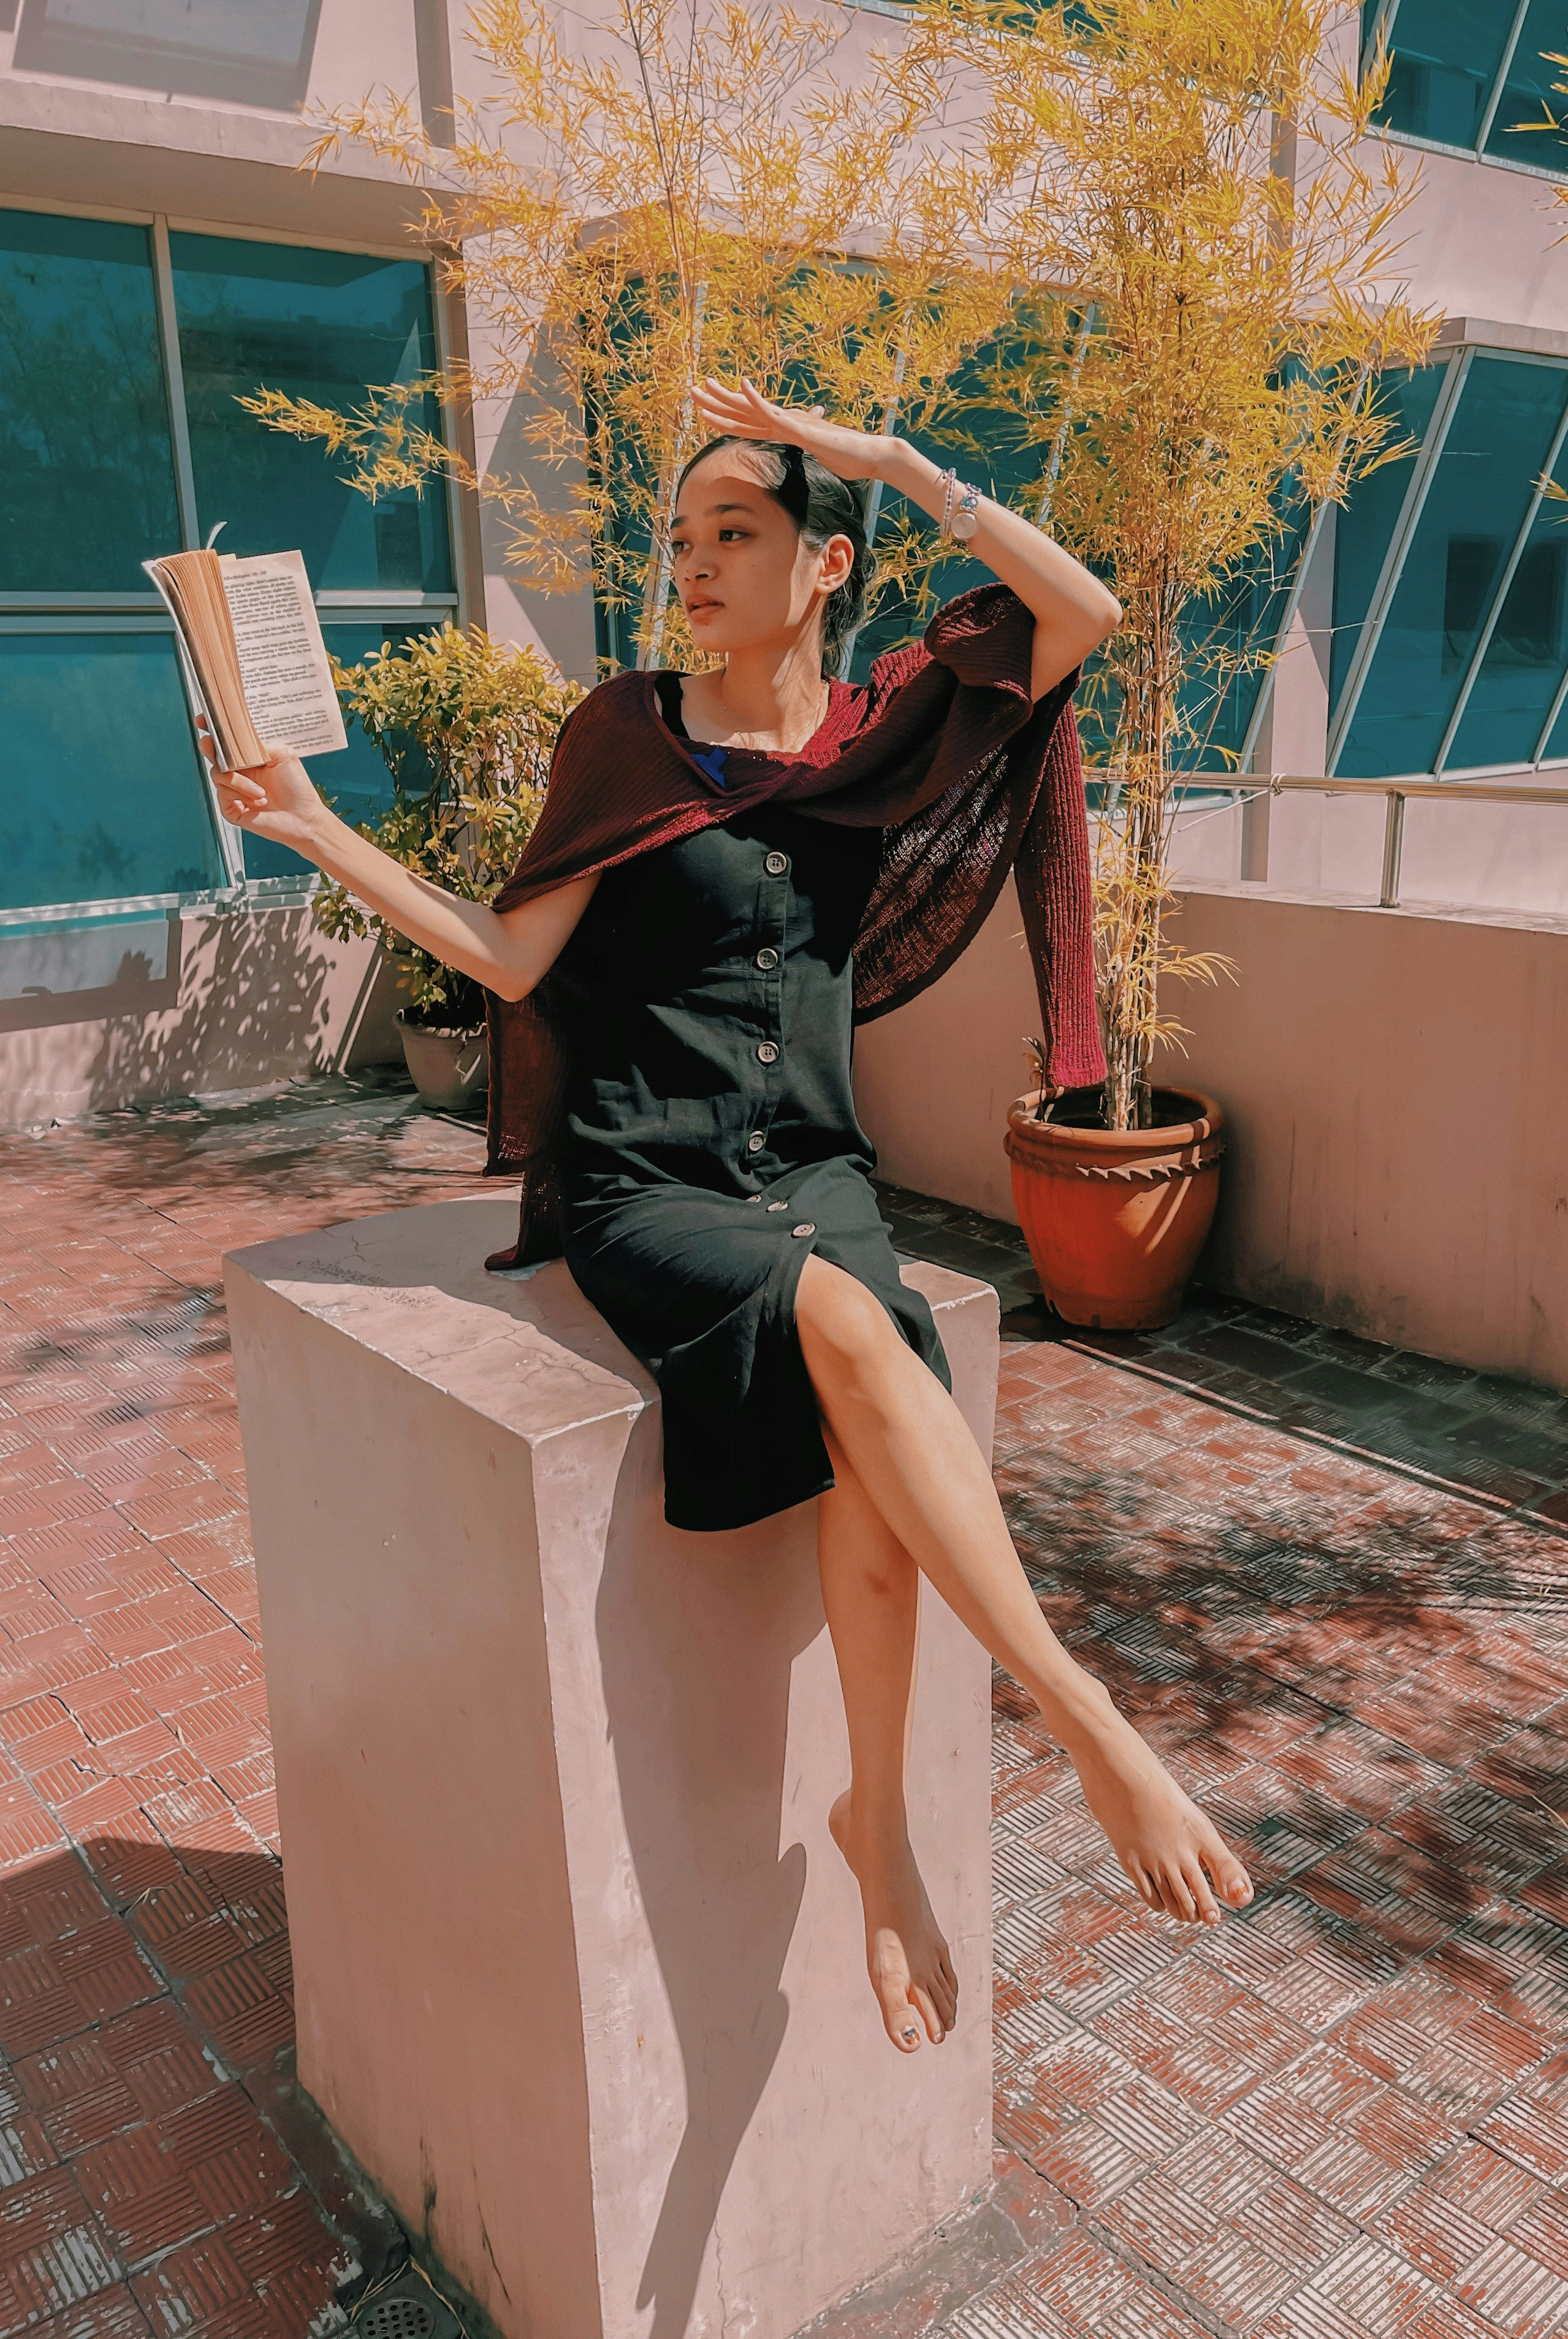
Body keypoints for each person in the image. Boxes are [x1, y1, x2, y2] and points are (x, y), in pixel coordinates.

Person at [200, 377, 1253, 2060]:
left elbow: (1084, 613)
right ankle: (1082, 1719)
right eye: (678, 536)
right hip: (644, 1174)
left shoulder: (880, 730)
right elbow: (512, 962)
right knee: (852, 1323)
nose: (689, 563)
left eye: (734, 532)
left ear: (822, 562)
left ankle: (877, 1826)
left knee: (878, 1394)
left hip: (807, 1165)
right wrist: (314, 826)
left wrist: (886, 460)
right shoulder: (622, 728)